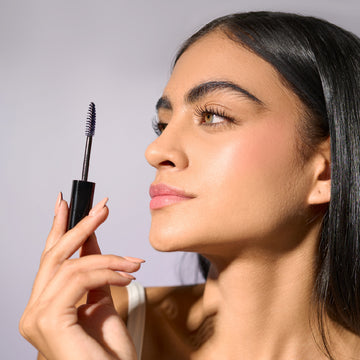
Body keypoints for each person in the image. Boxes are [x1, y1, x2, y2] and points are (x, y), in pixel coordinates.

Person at [20, 11, 360, 359]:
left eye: (213, 116)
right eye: (163, 124)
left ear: (327, 172)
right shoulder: (100, 326)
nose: (156, 151)